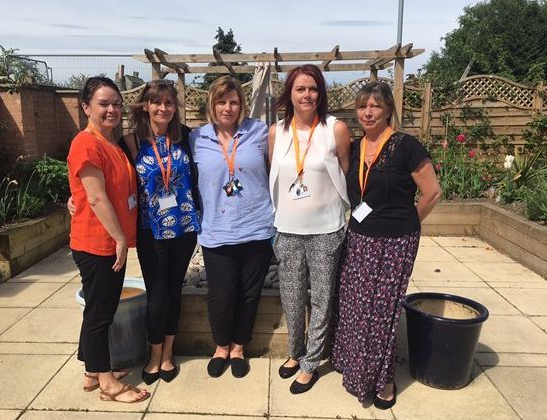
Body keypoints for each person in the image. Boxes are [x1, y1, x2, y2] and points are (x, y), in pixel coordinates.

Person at [330, 81, 441, 409]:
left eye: (375, 106)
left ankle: (384, 380)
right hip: (359, 238)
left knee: (381, 313)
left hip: (394, 243)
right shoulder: (357, 146)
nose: (367, 112)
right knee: (355, 307)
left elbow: (432, 192)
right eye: (363, 106)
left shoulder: (405, 145)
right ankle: (356, 369)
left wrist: (408, 223)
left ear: (388, 110)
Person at [268, 64, 351, 394]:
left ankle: (311, 361)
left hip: (326, 230)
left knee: (321, 297)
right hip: (287, 229)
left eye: (313, 88)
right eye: (300, 89)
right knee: (290, 296)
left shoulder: (336, 129)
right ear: (290, 93)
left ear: (321, 93)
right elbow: (273, 172)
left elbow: (344, 173)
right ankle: (295, 351)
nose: (307, 95)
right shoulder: (277, 132)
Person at [68, 76, 149, 403]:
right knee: (101, 313)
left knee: (98, 309)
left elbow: (87, 192)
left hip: (107, 240)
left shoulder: (109, 143)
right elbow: (97, 198)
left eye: (116, 103)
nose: (112, 109)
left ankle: (91, 372)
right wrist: (118, 238)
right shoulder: (86, 143)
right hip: (98, 242)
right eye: (104, 104)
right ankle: (107, 384)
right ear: (87, 107)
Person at [189, 75, 274, 379]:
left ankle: (238, 347)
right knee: (221, 294)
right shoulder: (196, 139)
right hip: (216, 229)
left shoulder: (260, 132)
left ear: (242, 105)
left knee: (249, 294)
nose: (228, 107)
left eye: (234, 101)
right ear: (212, 104)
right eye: (222, 101)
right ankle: (220, 346)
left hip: (257, 227)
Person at [119, 80, 199, 384]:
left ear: (175, 108)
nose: (163, 108)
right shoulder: (130, 143)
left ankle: (168, 353)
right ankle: (154, 354)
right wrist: (77, 198)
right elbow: (110, 177)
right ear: (145, 106)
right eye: (157, 103)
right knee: (157, 292)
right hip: (150, 231)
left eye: (168, 103)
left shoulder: (187, 138)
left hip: (184, 228)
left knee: (173, 289)